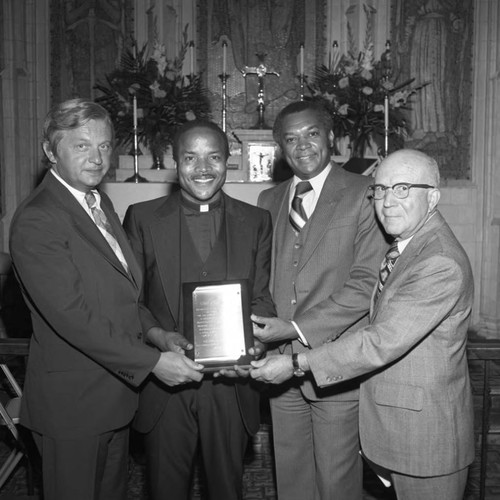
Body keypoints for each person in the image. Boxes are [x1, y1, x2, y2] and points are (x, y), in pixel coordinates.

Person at [251, 149, 475, 499]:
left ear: (433, 197)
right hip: (399, 429)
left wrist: (297, 362)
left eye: (403, 189)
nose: (387, 201)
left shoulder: (439, 262)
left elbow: (380, 340)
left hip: (425, 439)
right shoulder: (408, 246)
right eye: (381, 189)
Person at [9, 99, 204, 500]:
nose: (97, 158)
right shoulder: (39, 218)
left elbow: (123, 293)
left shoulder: (98, 203)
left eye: (104, 145)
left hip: (114, 398)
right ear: (50, 151)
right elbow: (72, 317)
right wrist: (153, 363)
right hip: (73, 406)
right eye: (81, 145)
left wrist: (157, 335)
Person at [123, 119, 276, 500]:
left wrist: (255, 342)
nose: (203, 168)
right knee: (165, 490)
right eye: (191, 158)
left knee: (227, 489)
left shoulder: (257, 220)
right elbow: (130, 300)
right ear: (176, 163)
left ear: (229, 161)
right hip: (165, 385)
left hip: (230, 384)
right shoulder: (141, 218)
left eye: (214, 157)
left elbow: (261, 296)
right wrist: (158, 337)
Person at [251, 100, 388, 500]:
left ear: (330, 137)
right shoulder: (268, 200)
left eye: (312, 134)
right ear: (280, 148)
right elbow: (262, 279)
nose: (303, 145)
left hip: (335, 365)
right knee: (292, 479)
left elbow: (366, 284)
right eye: (291, 139)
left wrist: (296, 328)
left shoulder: (364, 193)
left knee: (336, 482)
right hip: (279, 368)